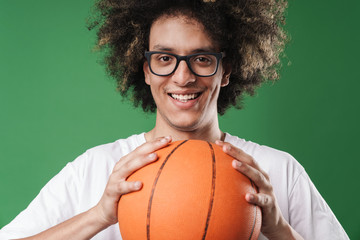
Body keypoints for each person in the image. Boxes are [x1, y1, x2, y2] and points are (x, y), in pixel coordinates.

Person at [0, 0, 349, 239]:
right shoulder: (98, 168)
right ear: (146, 71)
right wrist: (98, 216)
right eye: (165, 58)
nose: (182, 77)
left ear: (225, 70)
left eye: (201, 58)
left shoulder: (277, 172)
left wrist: (278, 229)